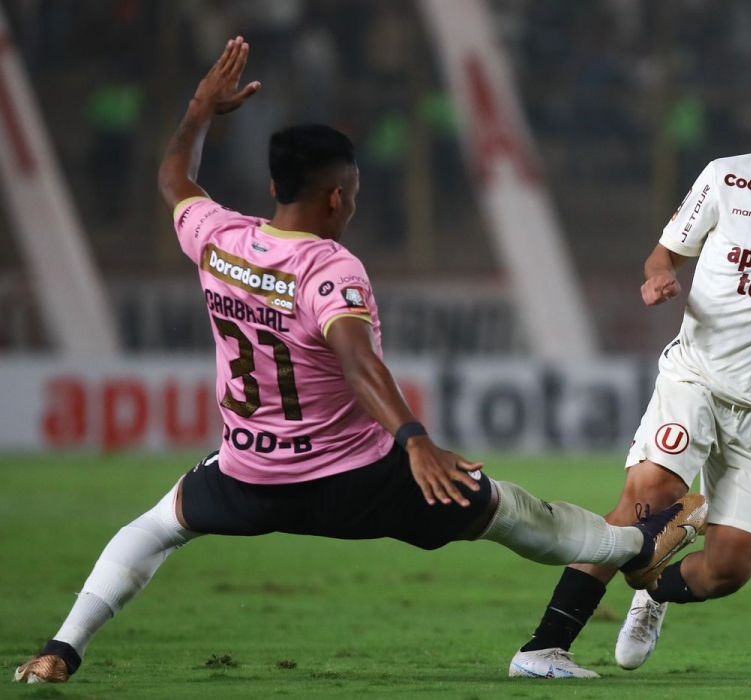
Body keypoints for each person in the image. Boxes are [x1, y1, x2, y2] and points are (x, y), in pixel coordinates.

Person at [13, 37, 706, 685]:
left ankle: (60, 649)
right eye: (355, 194)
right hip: (358, 476)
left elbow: (173, 179)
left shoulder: (216, 237)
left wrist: (199, 110)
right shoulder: (329, 267)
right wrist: (416, 443)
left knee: (157, 526)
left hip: (250, 470)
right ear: (337, 196)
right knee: (514, 514)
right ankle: (634, 548)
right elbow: (356, 362)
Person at [508, 61, 751, 679]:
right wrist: (660, 276)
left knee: (730, 568)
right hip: (697, 378)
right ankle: (544, 647)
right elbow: (665, 253)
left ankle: (653, 590)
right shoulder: (728, 179)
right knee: (646, 498)